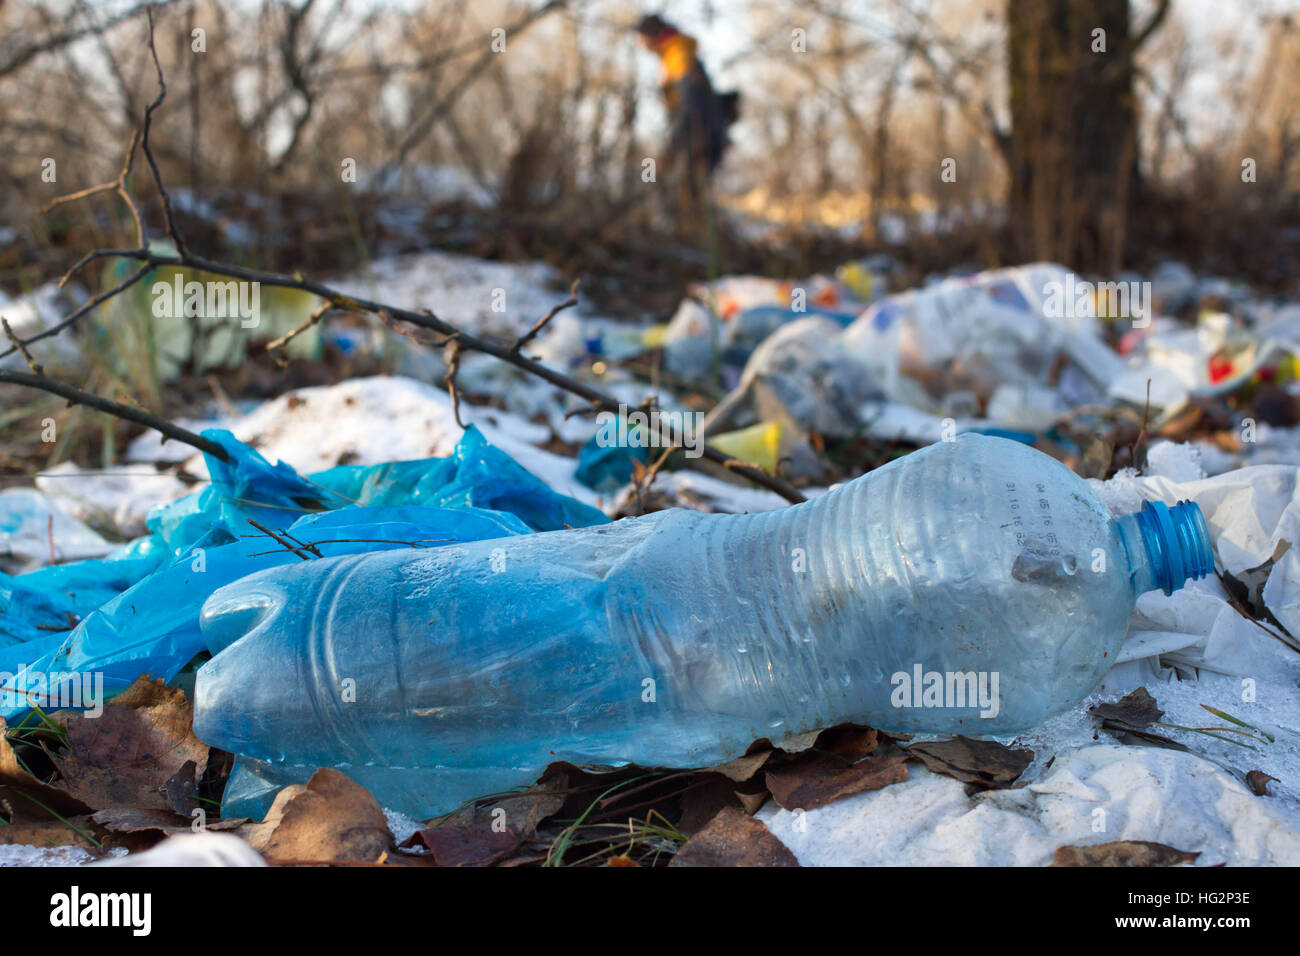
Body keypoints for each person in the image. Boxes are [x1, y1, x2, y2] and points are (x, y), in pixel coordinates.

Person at [636, 14, 739, 224]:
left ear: (651, 36)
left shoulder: (677, 54)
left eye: (641, 38)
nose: (639, 44)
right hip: (701, 133)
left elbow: (690, 103)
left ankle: (693, 237)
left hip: (698, 136)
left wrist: (674, 145)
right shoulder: (672, 54)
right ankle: (691, 234)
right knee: (690, 192)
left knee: (689, 191)